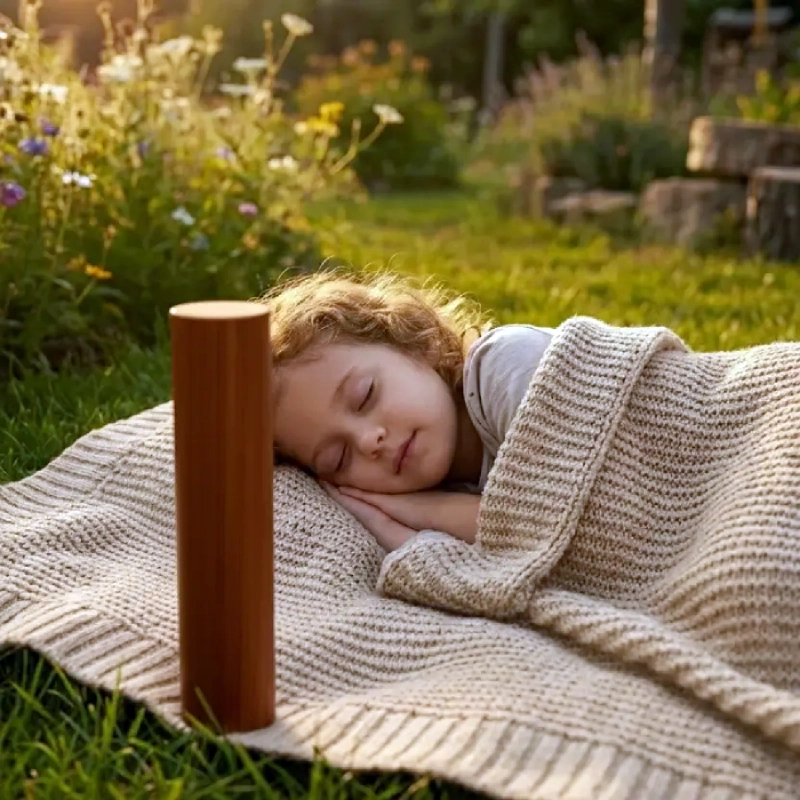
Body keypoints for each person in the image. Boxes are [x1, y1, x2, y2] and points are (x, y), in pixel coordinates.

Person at [261, 270, 554, 552]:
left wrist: (424, 511)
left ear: (418, 344)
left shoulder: (510, 365)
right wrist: (383, 520)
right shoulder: (439, 486)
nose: (368, 442)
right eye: (338, 459)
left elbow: (564, 527)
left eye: (365, 396)